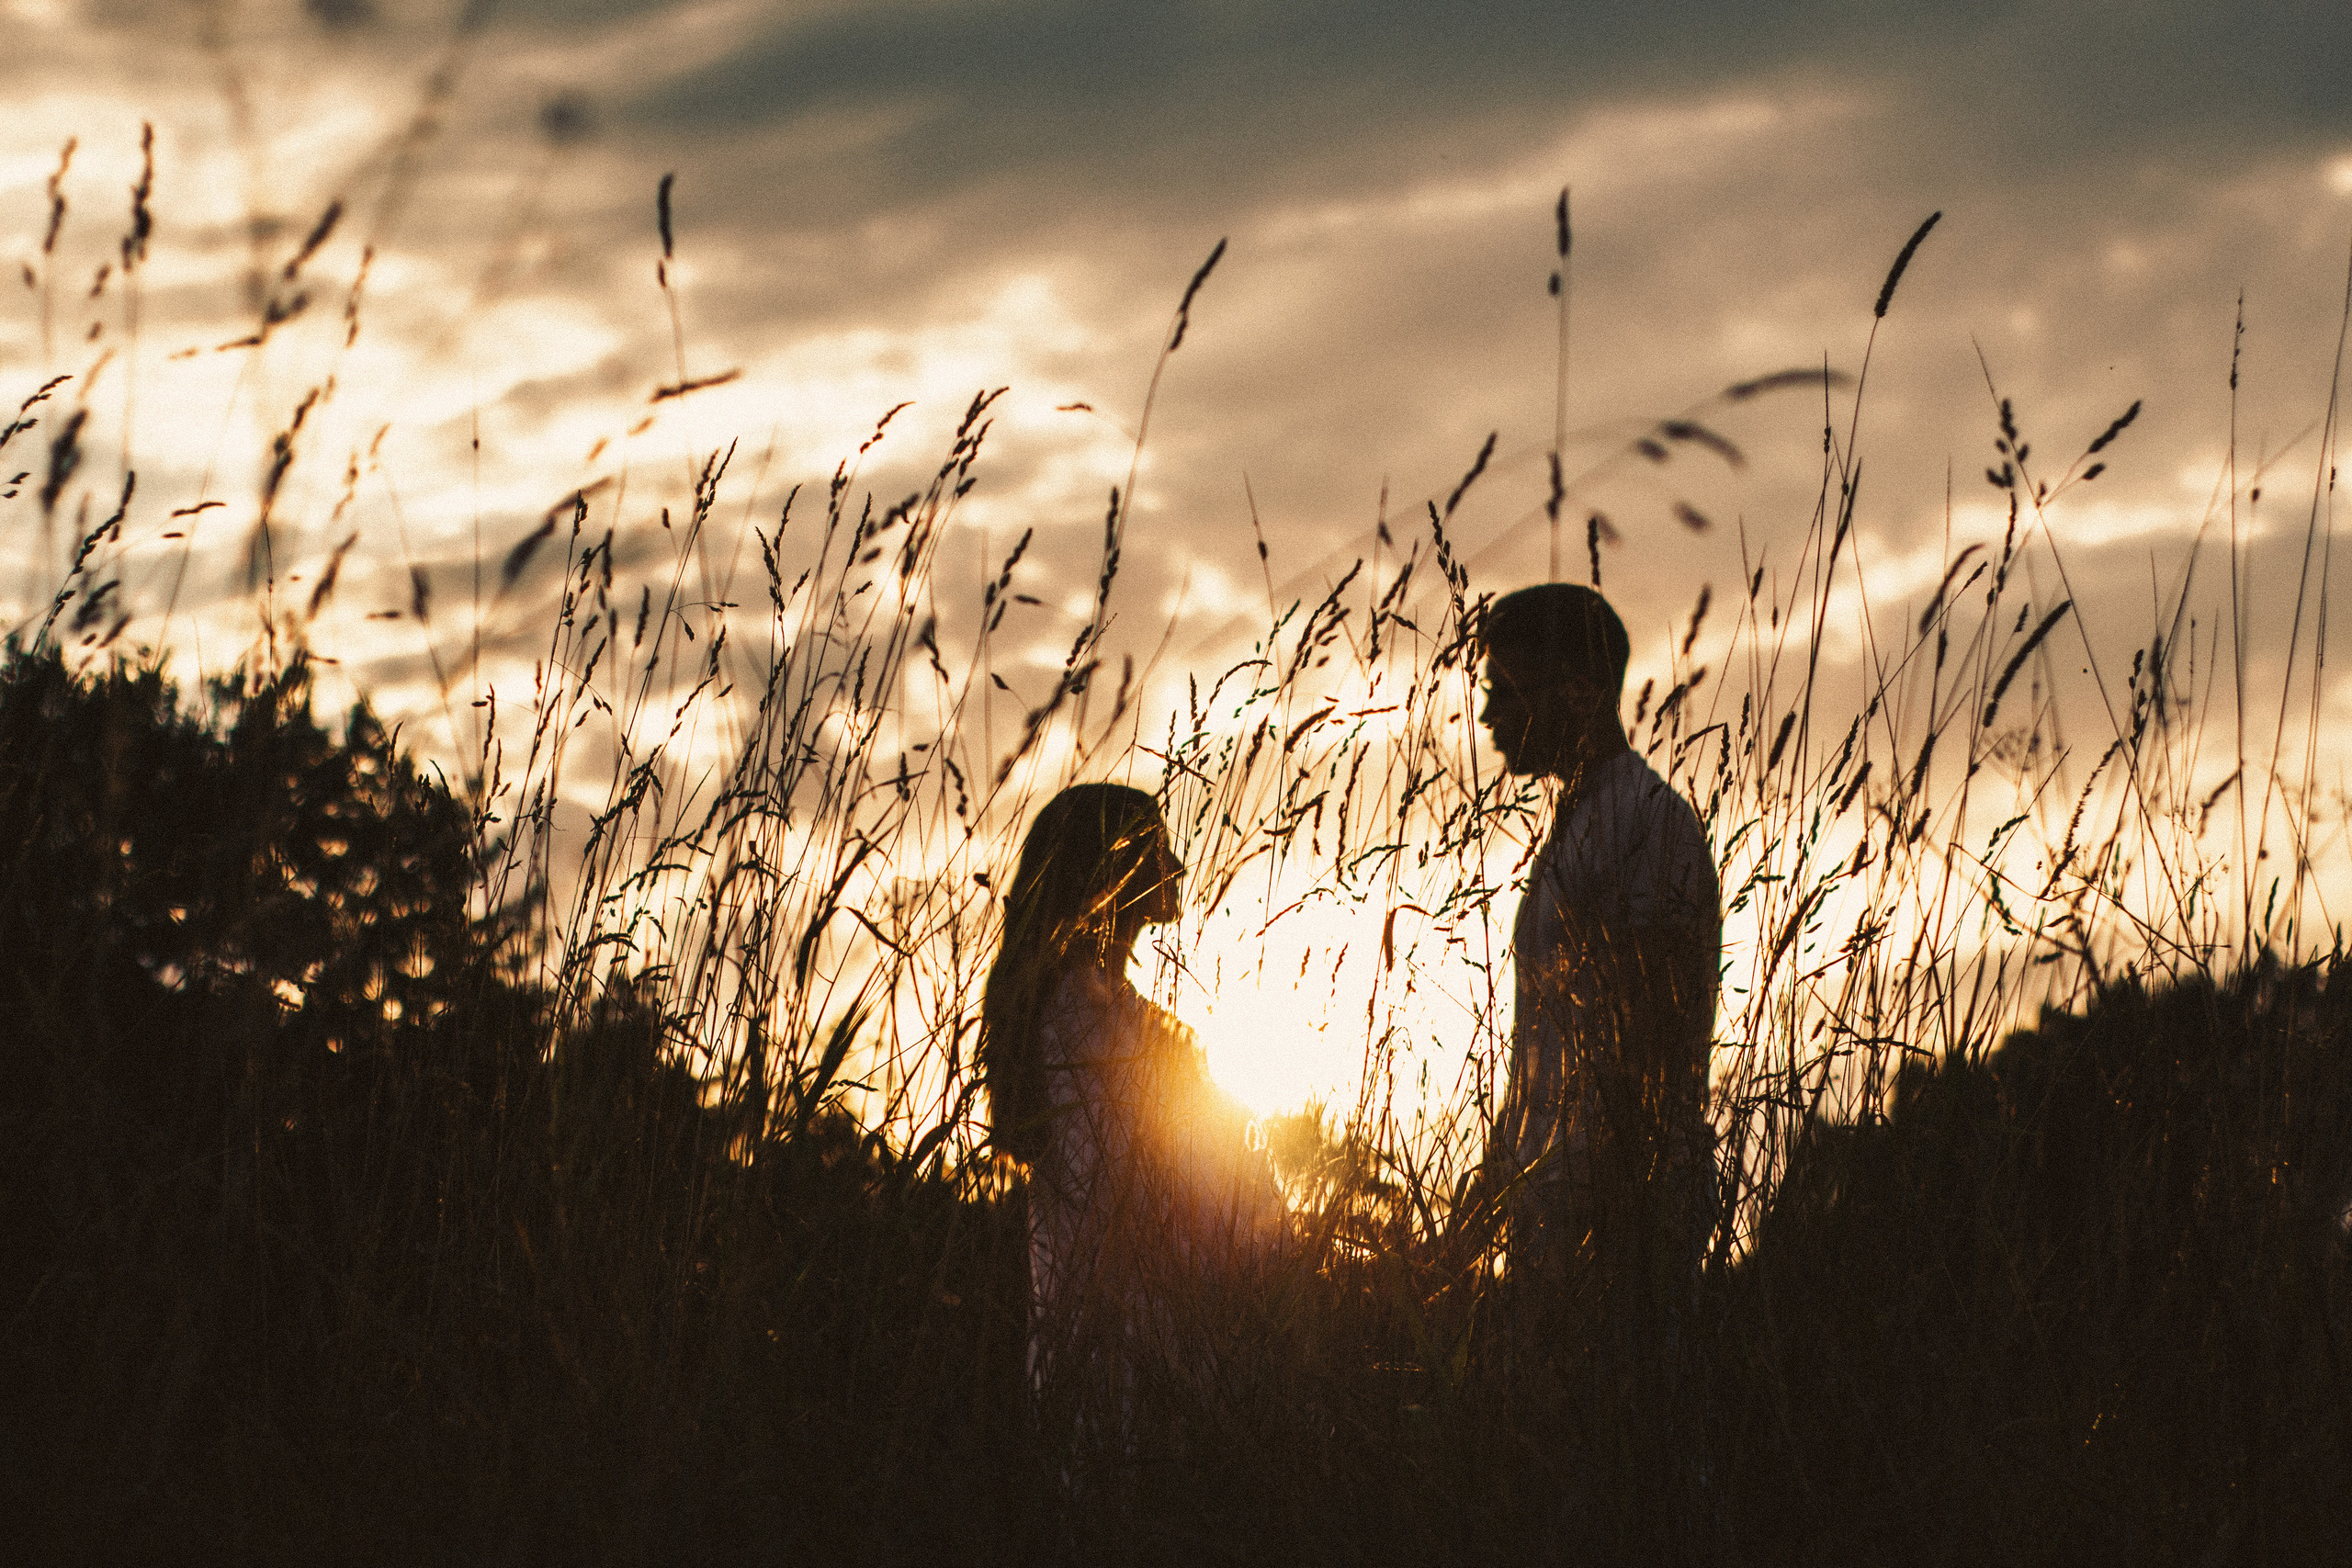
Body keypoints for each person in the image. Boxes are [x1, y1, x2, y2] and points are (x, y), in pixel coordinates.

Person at [978, 783, 1283, 1454]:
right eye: (1157, 850)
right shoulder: (1079, 1021)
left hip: (1135, 1357)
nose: (1176, 868)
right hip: (1120, 1367)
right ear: (1111, 870)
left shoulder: (1117, 1015)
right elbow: (1120, 1189)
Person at [1472, 583, 1722, 1337]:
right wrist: (1487, 1197)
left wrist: (1610, 1215)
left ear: (1581, 691)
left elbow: (1656, 1043)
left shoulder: (1646, 823)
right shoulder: (1581, 825)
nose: (1489, 717)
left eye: (1507, 692)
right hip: (1558, 1217)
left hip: (1614, 1227)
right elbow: (1543, 1053)